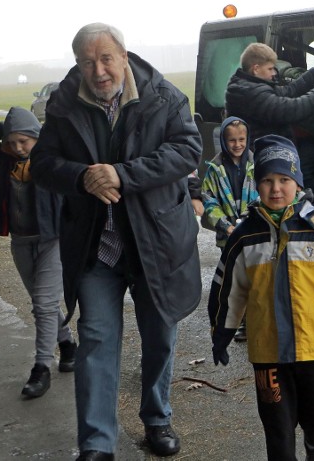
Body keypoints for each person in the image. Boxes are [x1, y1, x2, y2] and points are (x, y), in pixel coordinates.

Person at [30, 23, 202, 460]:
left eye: (106, 58)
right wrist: (82, 177)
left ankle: (157, 419)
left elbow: (188, 150)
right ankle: (97, 443)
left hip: (155, 243)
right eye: (88, 62)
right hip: (97, 245)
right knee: (96, 341)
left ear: (124, 56)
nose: (99, 70)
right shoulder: (64, 104)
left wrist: (123, 174)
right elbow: (43, 162)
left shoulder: (164, 96)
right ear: (78, 64)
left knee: (160, 334)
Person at [208, 135, 314, 461]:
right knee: (277, 426)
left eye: (284, 180)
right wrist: (222, 332)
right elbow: (228, 288)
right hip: (268, 350)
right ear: (257, 185)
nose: (276, 189)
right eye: (267, 180)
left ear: (297, 183)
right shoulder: (245, 236)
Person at [0, 107, 77, 399]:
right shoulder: (5, 159)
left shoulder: (50, 159)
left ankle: (42, 368)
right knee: (42, 302)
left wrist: (31, 129)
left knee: (43, 302)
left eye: (24, 141)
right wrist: (9, 125)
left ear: (37, 139)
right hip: (20, 241)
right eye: (12, 142)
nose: (18, 148)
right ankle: (67, 344)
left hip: (52, 241)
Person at [225, 42, 314, 207]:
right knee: (302, 173)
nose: (274, 73)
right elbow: (291, 109)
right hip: (264, 157)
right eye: (270, 69)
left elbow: (287, 91)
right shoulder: (249, 92)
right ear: (256, 68)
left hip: (272, 150)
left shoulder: (252, 85)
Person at [200, 115, 258, 341]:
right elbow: (209, 200)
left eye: (241, 139)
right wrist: (225, 226)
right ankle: (240, 322)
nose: (237, 145)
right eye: (232, 140)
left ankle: (256, 320)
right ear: (224, 141)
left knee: (257, 276)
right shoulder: (214, 169)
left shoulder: (256, 164)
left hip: (254, 233)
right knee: (235, 279)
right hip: (229, 236)